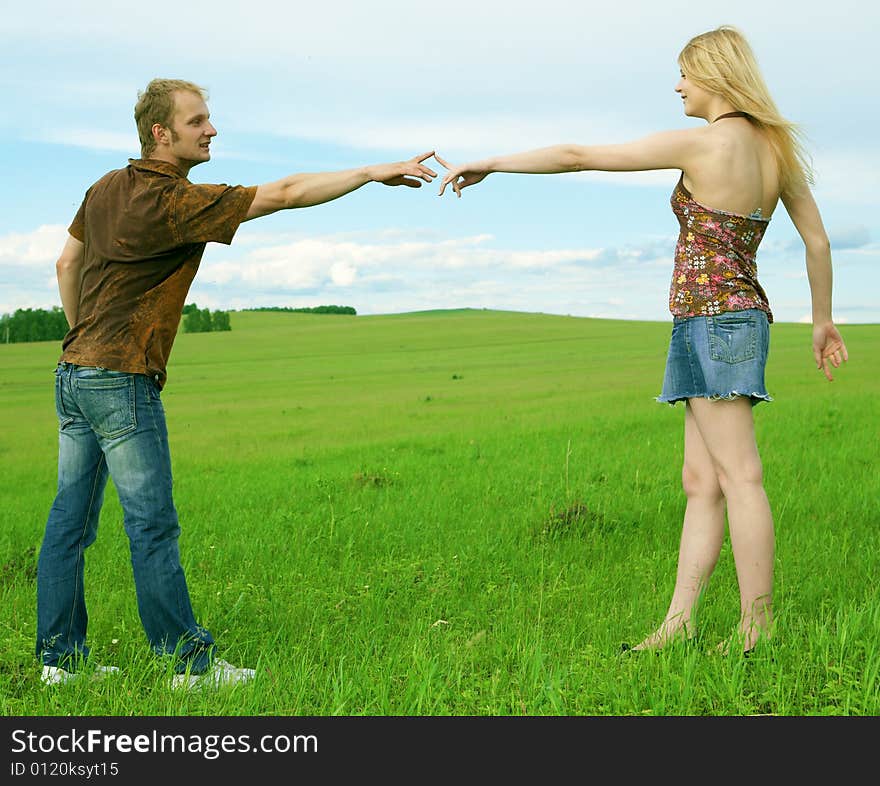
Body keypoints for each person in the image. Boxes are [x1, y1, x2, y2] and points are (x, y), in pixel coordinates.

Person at [436, 26, 848, 655]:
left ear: (714, 75)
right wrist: (822, 321)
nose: (678, 85)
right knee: (700, 480)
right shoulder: (776, 152)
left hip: (711, 321)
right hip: (731, 319)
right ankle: (677, 624)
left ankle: (757, 629)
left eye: (684, 73)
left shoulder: (703, 144)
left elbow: (577, 155)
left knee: (740, 476)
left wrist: (490, 161)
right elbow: (817, 242)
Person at [38, 78, 437, 688]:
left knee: (70, 522)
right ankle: (188, 667)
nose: (212, 130)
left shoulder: (104, 188)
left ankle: (59, 665)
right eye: (197, 121)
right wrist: (372, 172)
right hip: (119, 379)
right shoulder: (174, 201)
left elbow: (66, 263)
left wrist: (82, 343)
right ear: (160, 133)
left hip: (75, 374)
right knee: (151, 524)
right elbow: (286, 192)